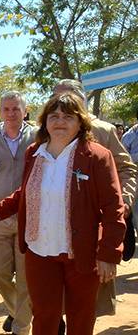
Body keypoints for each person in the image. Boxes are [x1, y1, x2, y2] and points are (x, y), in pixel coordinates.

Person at [0, 92, 126, 335]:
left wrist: (109, 254)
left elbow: (113, 207)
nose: (60, 121)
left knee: (80, 318)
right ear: (45, 121)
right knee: (43, 316)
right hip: (39, 251)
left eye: (68, 116)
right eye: (54, 116)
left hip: (82, 253)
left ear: (80, 122)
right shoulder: (34, 153)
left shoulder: (97, 156)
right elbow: (26, 193)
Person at [53, 79, 137, 320]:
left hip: (91, 229)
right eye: (56, 99)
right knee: (50, 300)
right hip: (50, 231)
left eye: (68, 98)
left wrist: (123, 204)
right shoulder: (45, 132)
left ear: (82, 101)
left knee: (86, 302)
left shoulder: (102, 131)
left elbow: (128, 170)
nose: (61, 105)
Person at [0, 91, 36, 335]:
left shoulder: (38, 136)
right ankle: (18, 312)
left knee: (25, 278)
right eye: (6, 109)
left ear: (25, 111)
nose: (11, 113)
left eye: (16, 109)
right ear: (0, 112)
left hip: (30, 218)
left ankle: (21, 328)